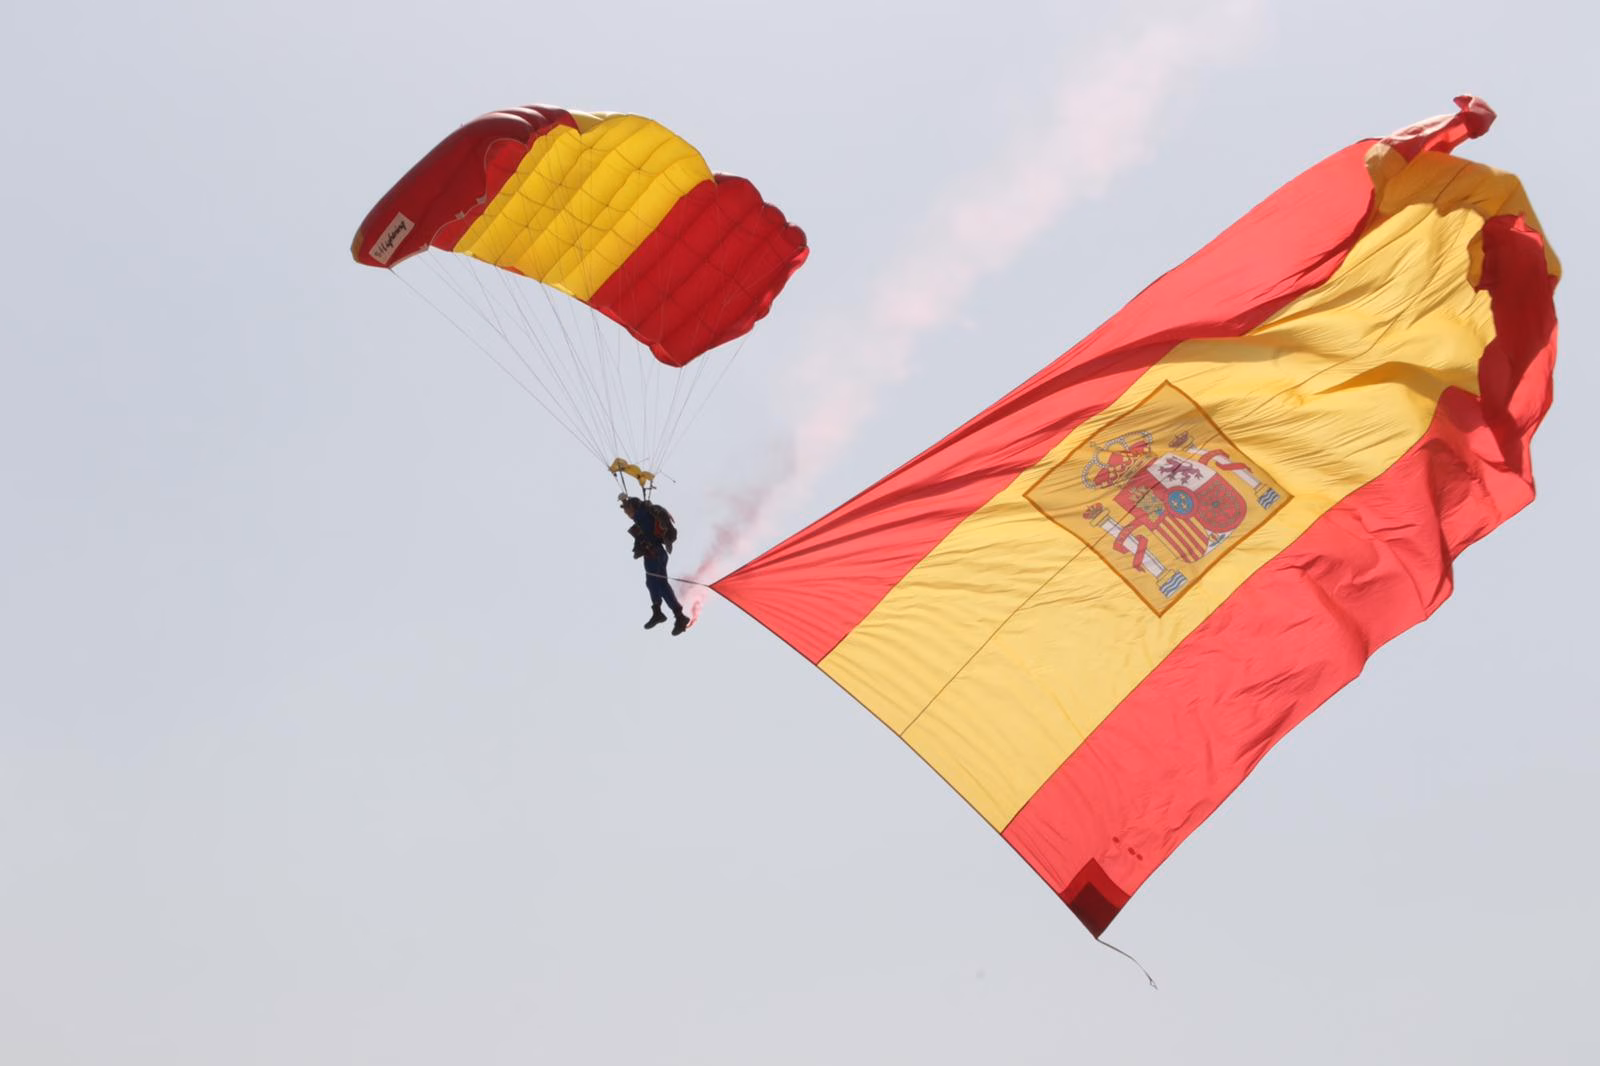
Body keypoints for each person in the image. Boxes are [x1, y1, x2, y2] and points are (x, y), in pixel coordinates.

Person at [620, 495, 689, 635]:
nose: (626, 513)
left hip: (654, 554)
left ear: (633, 507)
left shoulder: (641, 515)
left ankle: (661, 613)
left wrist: (626, 501)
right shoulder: (643, 514)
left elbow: (639, 517)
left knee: (654, 583)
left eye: (627, 510)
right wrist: (625, 502)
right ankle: (678, 616)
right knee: (660, 585)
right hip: (659, 554)